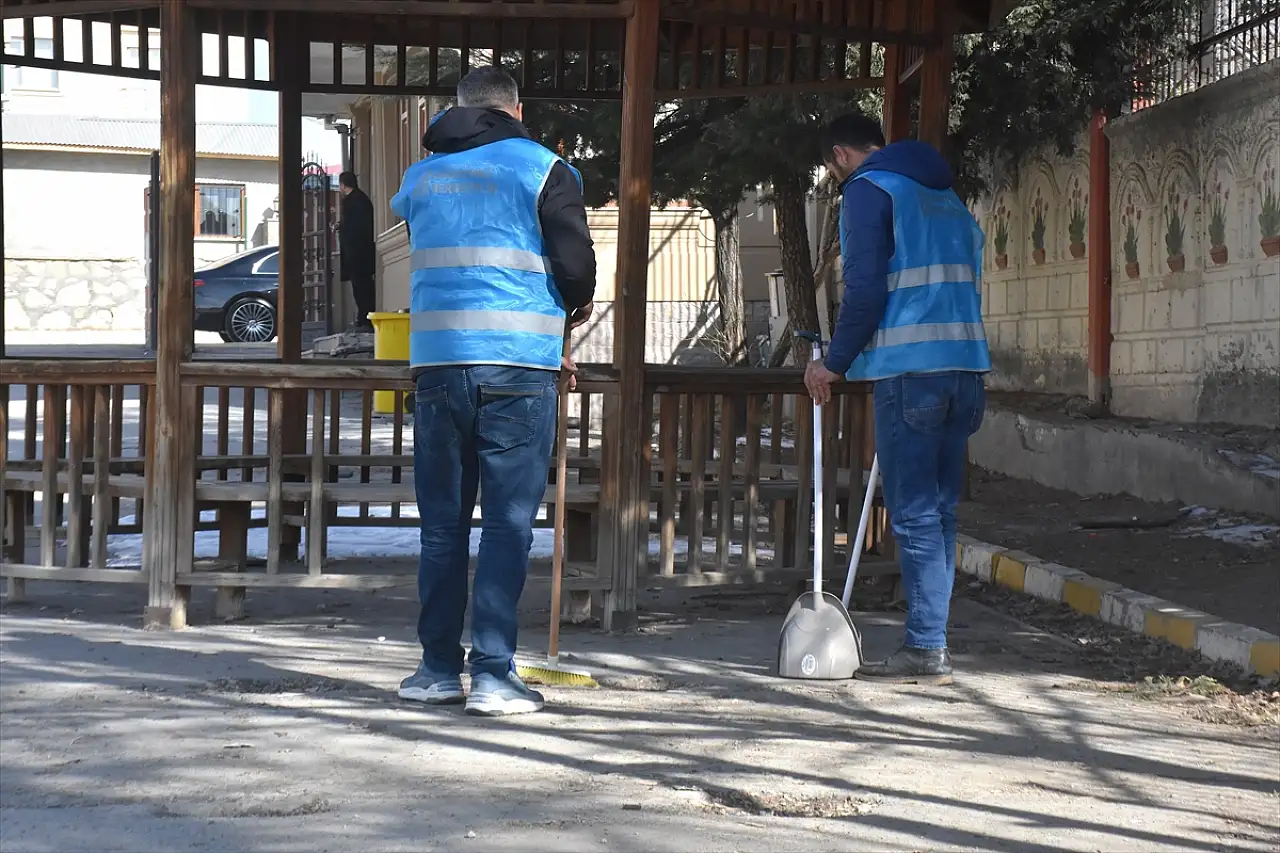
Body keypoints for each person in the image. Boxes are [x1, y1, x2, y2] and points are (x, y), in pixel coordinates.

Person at [390, 67, 596, 716]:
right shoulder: (544, 168)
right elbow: (576, 265)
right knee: (506, 525)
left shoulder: (421, 177)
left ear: (456, 109)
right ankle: (494, 674)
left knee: (441, 528)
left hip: (438, 365)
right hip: (518, 366)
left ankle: (435, 669)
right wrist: (568, 318)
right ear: (517, 109)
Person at [804, 113, 991, 686]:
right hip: (965, 367)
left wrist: (832, 363)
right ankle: (932, 639)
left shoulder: (868, 190)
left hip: (911, 374)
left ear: (840, 155)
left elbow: (865, 292)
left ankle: (926, 648)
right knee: (940, 512)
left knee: (912, 515)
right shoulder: (945, 195)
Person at [338, 171, 377, 332]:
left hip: (357, 252)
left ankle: (364, 319)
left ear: (343, 185)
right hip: (362, 251)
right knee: (363, 286)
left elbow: (354, 228)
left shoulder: (353, 202)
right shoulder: (361, 200)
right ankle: (364, 317)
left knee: (361, 287)